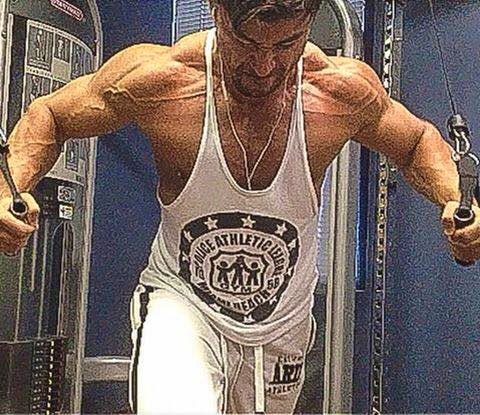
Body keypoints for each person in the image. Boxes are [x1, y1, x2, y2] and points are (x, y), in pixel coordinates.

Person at [0, 0, 479, 413]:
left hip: (283, 325)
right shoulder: (162, 82)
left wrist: (457, 199)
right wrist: (9, 188)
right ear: (216, 12)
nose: (265, 65)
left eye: (286, 44)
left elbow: (416, 141)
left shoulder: (338, 93)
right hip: (182, 301)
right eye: (246, 42)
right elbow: (52, 115)